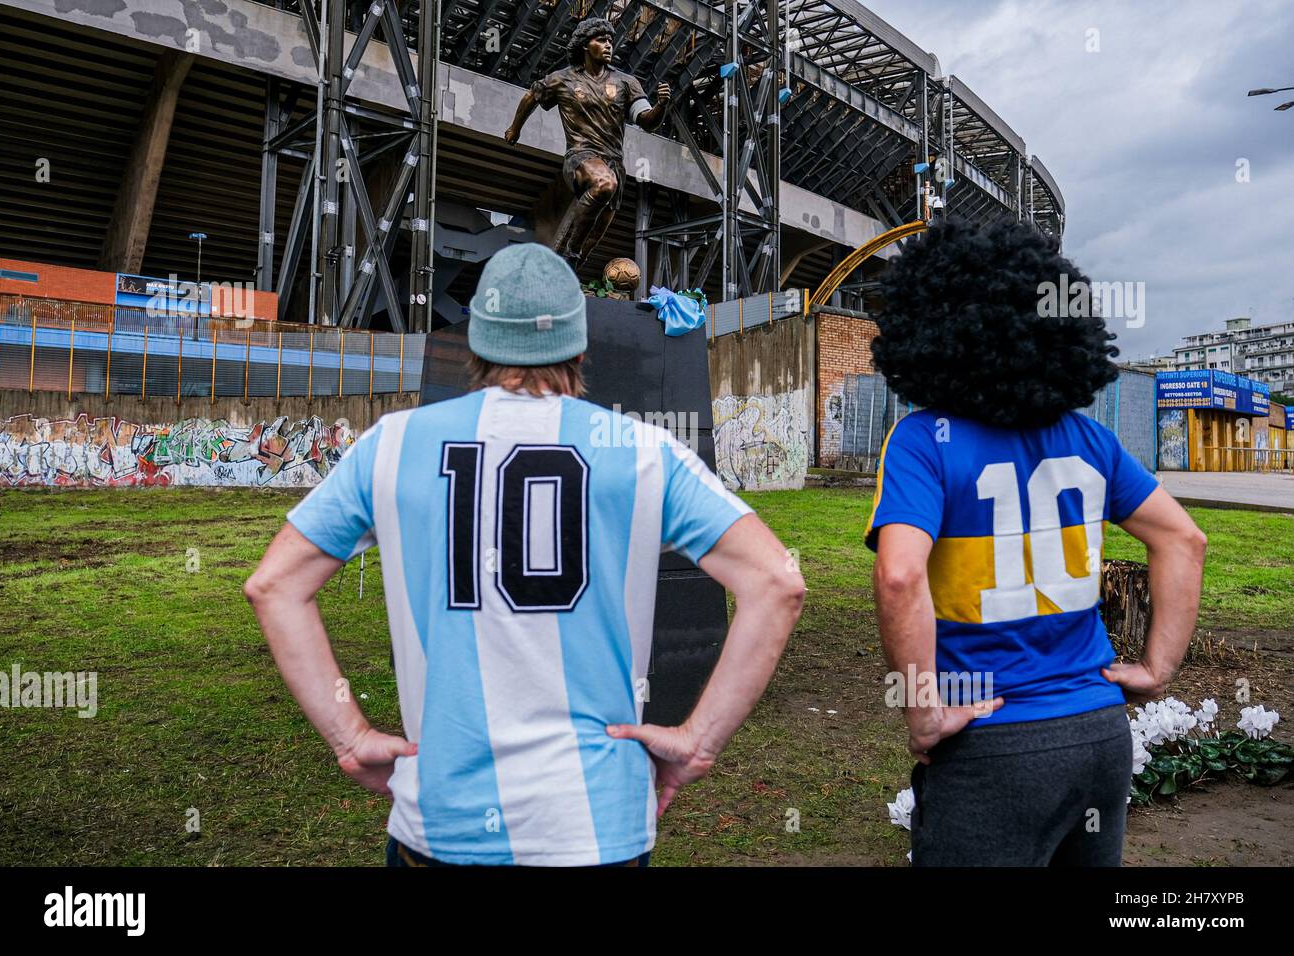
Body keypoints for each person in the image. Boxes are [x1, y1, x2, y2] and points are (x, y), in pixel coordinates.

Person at [244, 243, 804, 867]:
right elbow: (778, 581)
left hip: (443, 823)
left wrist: (350, 736)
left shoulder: (393, 445)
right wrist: (698, 742)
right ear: (581, 348)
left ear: (476, 347)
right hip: (595, 827)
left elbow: (274, 584)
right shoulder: (643, 449)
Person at [865, 217, 1207, 866]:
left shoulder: (922, 440)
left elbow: (901, 576)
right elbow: (1184, 541)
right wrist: (1157, 670)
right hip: (1098, 735)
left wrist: (923, 708)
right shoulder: (1092, 440)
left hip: (990, 738)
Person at [505, 17, 670, 270]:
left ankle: (567, 268)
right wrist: (514, 128)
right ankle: (569, 251)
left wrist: (661, 105)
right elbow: (531, 96)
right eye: (601, 40)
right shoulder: (563, 79)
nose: (608, 45)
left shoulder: (627, 82)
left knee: (595, 234)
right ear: (585, 45)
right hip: (580, 156)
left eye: (610, 41)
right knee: (604, 184)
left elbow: (646, 121)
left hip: (614, 161)